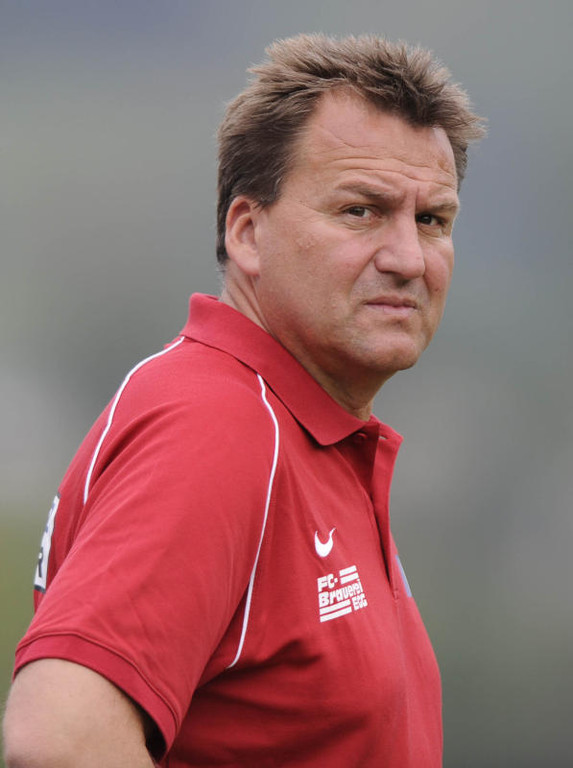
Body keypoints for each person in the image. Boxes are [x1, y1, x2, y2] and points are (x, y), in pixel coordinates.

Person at [3, 33, 484, 767]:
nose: (408, 258)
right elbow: (58, 741)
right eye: (361, 211)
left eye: (432, 220)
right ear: (248, 233)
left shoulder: (299, 429)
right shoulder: (219, 425)